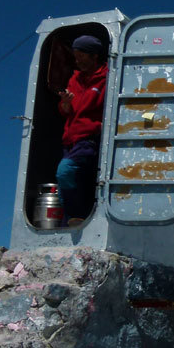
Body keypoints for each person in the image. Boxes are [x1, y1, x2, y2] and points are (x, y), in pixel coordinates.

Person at [57, 35, 108, 225]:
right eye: (75, 56)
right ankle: (69, 222)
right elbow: (65, 111)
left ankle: (77, 216)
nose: (77, 60)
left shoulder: (106, 77)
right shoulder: (75, 78)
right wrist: (65, 103)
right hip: (70, 139)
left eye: (81, 55)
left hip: (89, 139)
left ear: (94, 56)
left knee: (65, 171)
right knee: (67, 185)